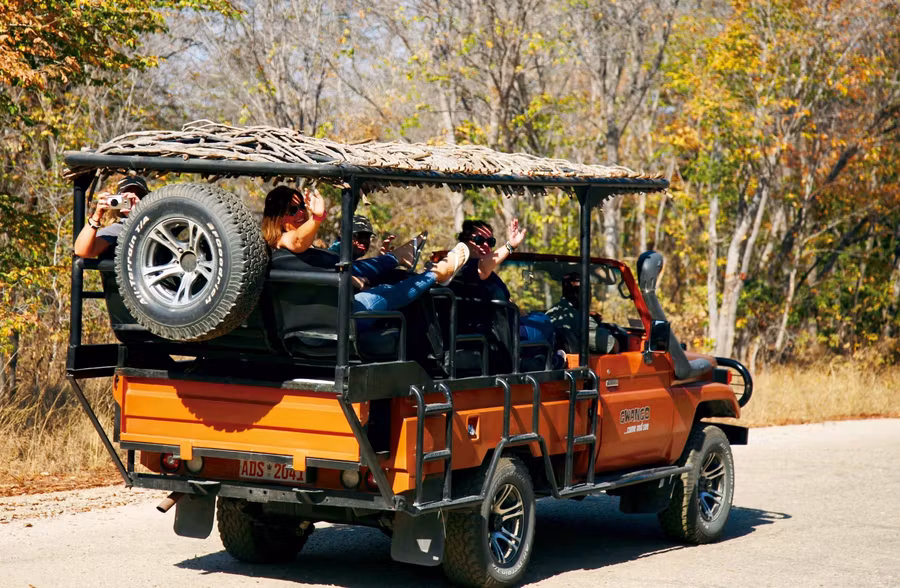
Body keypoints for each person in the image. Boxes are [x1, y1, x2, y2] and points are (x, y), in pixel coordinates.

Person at [261, 185, 469, 317]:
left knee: (361, 268)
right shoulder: (282, 240)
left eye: (301, 209)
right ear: (277, 217)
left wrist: (350, 278)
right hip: (336, 317)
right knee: (387, 291)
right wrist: (317, 217)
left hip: (326, 307)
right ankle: (435, 274)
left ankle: (397, 257)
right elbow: (297, 241)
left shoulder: (288, 253)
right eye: (291, 210)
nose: (300, 214)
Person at [73, 176, 150, 259]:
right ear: (116, 201)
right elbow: (81, 251)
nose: (132, 200)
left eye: (140, 196)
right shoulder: (117, 229)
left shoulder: (159, 222)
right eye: (125, 199)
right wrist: (96, 216)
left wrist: (141, 212)